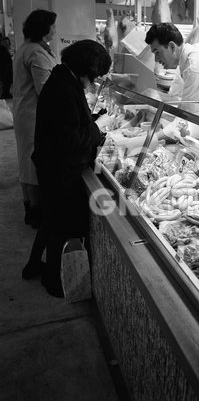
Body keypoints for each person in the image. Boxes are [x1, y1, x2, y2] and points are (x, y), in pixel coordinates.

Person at [22, 40, 112, 297]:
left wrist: (95, 119)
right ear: (87, 69)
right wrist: (98, 127)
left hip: (51, 165)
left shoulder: (63, 79)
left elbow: (69, 122)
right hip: (59, 169)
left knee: (51, 218)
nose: (94, 81)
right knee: (64, 225)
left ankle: (33, 266)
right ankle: (56, 282)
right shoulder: (64, 88)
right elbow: (69, 140)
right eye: (94, 76)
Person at [12, 9, 57, 227]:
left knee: (26, 162)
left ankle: (29, 207)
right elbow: (46, 90)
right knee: (33, 163)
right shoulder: (36, 52)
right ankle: (36, 213)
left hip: (24, 112)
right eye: (52, 26)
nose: (55, 30)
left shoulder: (27, 47)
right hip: (33, 115)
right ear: (44, 28)